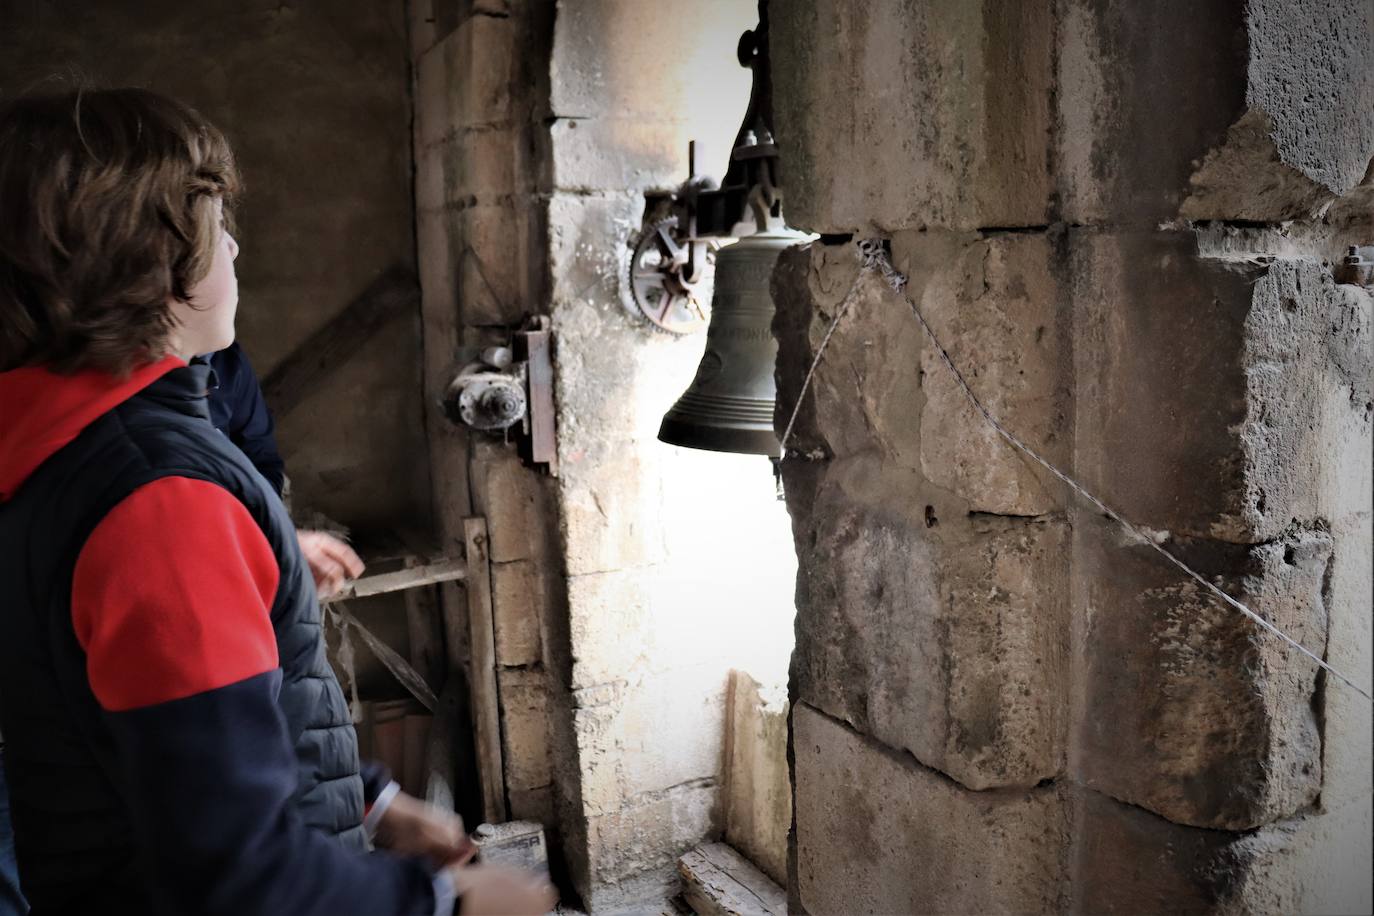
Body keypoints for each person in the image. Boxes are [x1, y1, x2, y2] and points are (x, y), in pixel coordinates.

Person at [0, 87, 554, 916]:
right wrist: (451, 901)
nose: (232, 250)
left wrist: (367, 802)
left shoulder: (66, 454)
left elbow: (168, 754)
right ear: (151, 267)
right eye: (214, 228)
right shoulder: (158, 502)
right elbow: (240, 880)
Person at [207, 341, 364, 598]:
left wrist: (266, 525)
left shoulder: (226, 359)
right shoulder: (142, 392)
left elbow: (260, 453)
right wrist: (269, 543)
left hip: (235, 540)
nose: (234, 299)